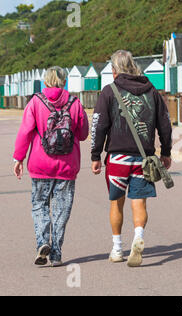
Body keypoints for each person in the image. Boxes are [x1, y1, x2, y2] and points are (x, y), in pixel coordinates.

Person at [91, 50, 172, 267]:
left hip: (118, 159)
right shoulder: (152, 91)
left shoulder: (109, 91)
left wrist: (95, 155)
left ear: (114, 69)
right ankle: (138, 236)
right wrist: (166, 151)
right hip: (144, 159)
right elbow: (165, 123)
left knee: (116, 203)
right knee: (139, 202)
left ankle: (117, 248)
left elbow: (99, 126)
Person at [13, 66, 89, 267]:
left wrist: (18, 158)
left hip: (40, 164)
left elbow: (25, 132)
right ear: (64, 81)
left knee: (39, 205)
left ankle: (42, 242)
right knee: (62, 209)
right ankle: (56, 253)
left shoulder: (35, 102)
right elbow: (82, 134)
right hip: (67, 166)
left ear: (45, 82)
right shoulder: (75, 103)